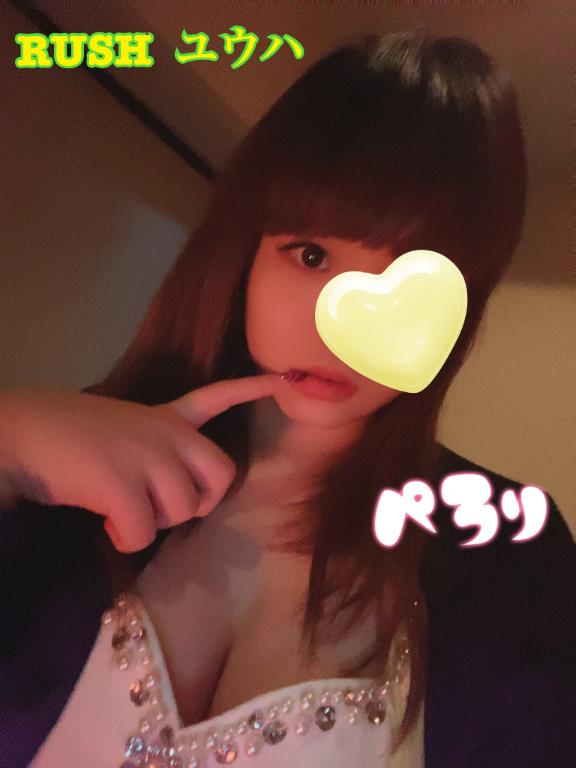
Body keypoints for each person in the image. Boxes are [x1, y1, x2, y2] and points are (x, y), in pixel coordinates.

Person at [0, 30, 574, 768]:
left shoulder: (506, 551)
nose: (344, 324)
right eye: (312, 254)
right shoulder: (74, 467)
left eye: (411, 278)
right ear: (247, 252)